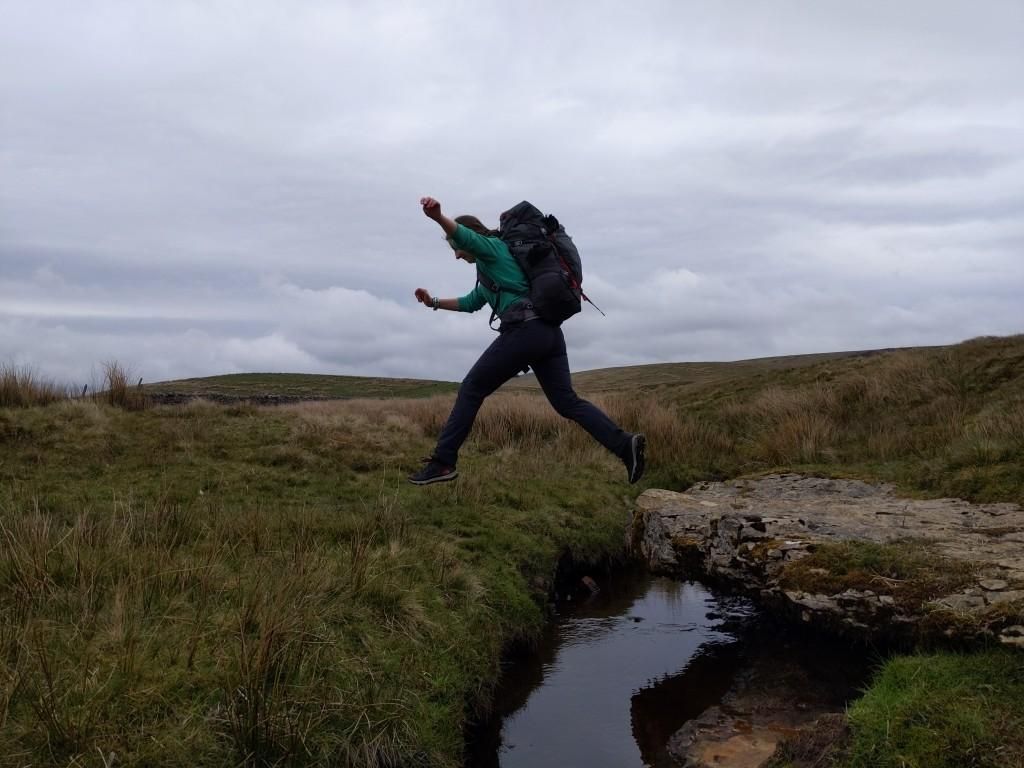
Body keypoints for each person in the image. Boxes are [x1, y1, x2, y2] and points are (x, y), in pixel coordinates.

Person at [408, 196, 646, 486]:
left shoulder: (492, 249)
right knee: (566, 402)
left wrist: (438, 217)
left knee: (471, 389)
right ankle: (625, 445)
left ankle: (443, 462)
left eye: (455, 248)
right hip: (548, 335)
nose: (457, 254)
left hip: (524, 331)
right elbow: (471, 302)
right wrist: (432, 301)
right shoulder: (492, 272)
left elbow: (466, 237)